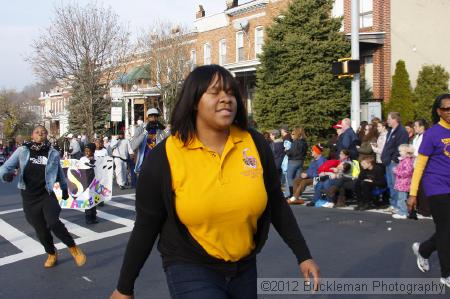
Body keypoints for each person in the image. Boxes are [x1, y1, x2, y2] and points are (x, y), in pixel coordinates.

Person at [110, 65, 319, 299]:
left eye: (230, 93)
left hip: (244, 266)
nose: (226, 99)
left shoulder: (254, 143)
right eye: (215, 92)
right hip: (189, 265)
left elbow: (276, 203)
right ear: (194, 101)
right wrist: (124, 288)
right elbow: (146, 224)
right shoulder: (165, 156)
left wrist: (303, 254)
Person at [0, 125, 86, 268]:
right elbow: (5, 167)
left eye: (43, 132)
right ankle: (51, 253)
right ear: (32, 135)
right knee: (41, 230)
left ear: (46, 135)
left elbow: (59, 173)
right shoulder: (23, 150)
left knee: (53, 222)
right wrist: (5, 175)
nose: (40, 134)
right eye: (37, 132)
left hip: (47, 194)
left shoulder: (52, 153)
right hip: (29, 197)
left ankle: (73, 248)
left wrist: (64, 189)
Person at [408, 94, 450, 288]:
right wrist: (413, 193)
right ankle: (446, 274)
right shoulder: (432, 134)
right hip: (437, 187)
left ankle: (424, 250)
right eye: (445, 109)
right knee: (446, 230)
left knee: (446, 230)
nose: (449, 112)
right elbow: (420, 166)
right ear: (438, 111)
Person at [381, 112, 409, 213]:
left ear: (394, 119)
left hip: (394, 162)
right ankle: (393, 204)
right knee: (390, 184)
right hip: (388, 161)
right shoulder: (390, 131)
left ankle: (398, 206)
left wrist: (394, 159)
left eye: (389, 119)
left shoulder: (401, 131)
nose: (387, 121)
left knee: (396, 184)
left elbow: (401, 147)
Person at [130, 108, 167, 174]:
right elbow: (133, 146)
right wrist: (145, 132)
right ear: (147, 118)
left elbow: (169, 142)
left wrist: (165, 129)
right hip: (144, 164)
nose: (153, 118)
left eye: (155, 116)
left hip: (158, 164)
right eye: (151, 116)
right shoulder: (140, 129)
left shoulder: (160, 130)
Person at [391, 144, 415, 219]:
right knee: (402, 197)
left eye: (401, 151)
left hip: (404, 182)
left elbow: (407, 172)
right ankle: (403, 211)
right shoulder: (404, 160)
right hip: (402, 182)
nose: (399, 152)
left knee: (402, 198)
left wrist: (396, 171)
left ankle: (403, 213)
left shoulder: (407, 161)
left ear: (407, 152)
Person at [285, 127, 308, 197]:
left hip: (293, 161)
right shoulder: (304, 142)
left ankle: (293, 193)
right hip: (301, 161)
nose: (292, 135)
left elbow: (292, 152)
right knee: (297, 178)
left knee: (289, 178)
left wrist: (287, 151)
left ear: (297, 134)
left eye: (293, 134)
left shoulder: (295, 142)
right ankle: (298, 193)